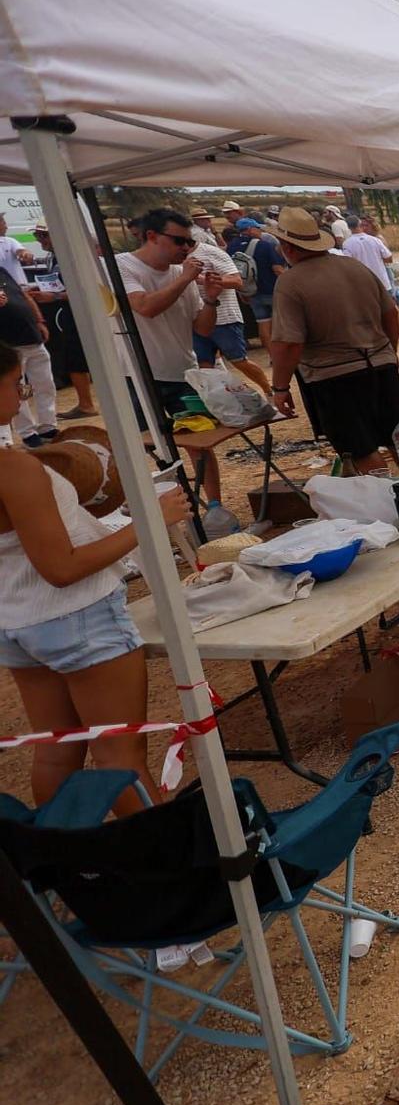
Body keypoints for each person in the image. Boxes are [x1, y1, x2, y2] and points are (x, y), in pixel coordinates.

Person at [0, 342, 190, 812]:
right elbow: (62, 568)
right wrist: (147, 521)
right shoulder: (13, 469)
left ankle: (62, 865)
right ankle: (160, 869)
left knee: (57, 752)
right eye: (17, 384)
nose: (23, 395)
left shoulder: (16, 461)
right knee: (119, 757)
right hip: (74, 615)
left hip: (17, 621)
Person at [265, 207, 399, 474]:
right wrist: (389, 353)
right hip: (380, 364)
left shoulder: (291, 282)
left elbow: (289, 343)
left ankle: (392, 504)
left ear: (286, 246)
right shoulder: (354, 267)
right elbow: (390, 314)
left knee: (360, 448)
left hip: (334, 376)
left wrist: (280, 387)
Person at [115, 209, 222, 503]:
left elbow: (202, 327)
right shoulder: (122, 266)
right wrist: (186, 279)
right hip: (138, 375)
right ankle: (174, 508)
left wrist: (211, 298)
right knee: (151, 448)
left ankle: (214, 507)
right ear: (152, 236)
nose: (186, 249)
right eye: (179, 241)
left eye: (190, 243)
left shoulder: (180, 274)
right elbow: (145, 307)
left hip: (181, 373)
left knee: (200, 445)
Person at [180, 217, 271, 394]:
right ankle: (224, 402)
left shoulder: (210, 252)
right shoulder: (175, 259)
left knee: (238, 360)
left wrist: (202, 279)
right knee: (205, 365)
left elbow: (237, 281)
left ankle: (268, 390)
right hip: (197, 320)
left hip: (224, 318)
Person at [24, 225, 95, 419]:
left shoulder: (71, 257)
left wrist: (53, 297)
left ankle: (87, 405)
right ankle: (85, 403)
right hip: (66, 314)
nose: (39, 239)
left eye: (44, 235)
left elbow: (84, 289)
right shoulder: (53, 256)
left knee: (77, 359)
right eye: (36, 235)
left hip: (77, 314)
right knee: (74, 359)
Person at [0, 265, 56, 447]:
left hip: (31, 336)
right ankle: (27, 433)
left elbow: (24, 295)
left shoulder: (2, 270)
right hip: (9, 343)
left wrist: (39, 320)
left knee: (45, 383)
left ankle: (48, 426)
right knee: (17, 390)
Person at [341, 215, 397, 293]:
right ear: (359, 224)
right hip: (382, 281)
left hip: (364, 284)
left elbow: (348, 264)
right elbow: (389, 258)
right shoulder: (375, 240)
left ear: (348, 227)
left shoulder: (347, 244)